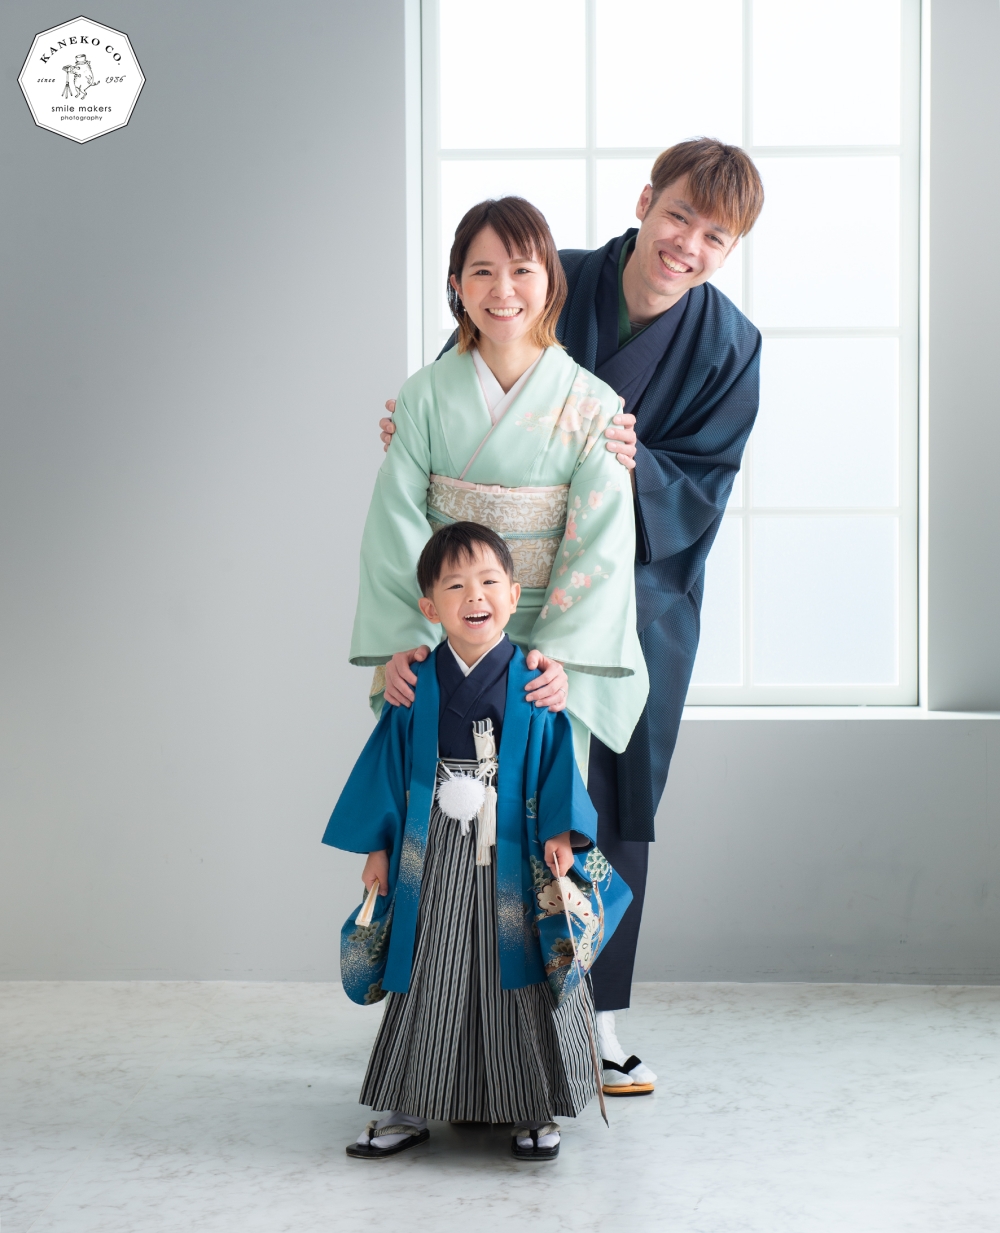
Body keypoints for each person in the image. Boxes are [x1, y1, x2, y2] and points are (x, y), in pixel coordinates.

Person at [379, 139, 765, 1094]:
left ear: (731, 248)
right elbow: (474, 376)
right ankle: (465, 1012)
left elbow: (705, 483)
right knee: (470, 785)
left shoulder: (731, 344)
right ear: (646, 201)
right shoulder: (557, 274)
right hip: (492, 591)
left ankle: (598, 1013)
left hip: (631, 590)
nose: (688, 245)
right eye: (679, 215)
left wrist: (636, 465)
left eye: (716, 236)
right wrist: (417, 426)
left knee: (607, 798)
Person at [324, 523, 632, 1161]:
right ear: (430, 606)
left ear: (514, 596)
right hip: (430, 846)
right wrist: (378, 848)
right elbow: (387, 765)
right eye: (455, 585)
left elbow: (556, 762)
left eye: (490, 581)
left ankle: (530, 1105)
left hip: (514, 846)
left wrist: (561, 832)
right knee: (429, 964)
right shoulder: (415, 682)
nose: (475, 596)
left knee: (517, 966)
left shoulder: (533, 681)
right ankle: (409, 1105)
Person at [352, 194, 648, 780]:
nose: (502, 290)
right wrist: (410, 642)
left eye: (522, 270)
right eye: (482, 272)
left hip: (543, 653)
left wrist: (559, 659)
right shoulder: (423, 396)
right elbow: (396, 523)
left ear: (551, 281)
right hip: (441, 639)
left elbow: (601, 545)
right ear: (457, 285)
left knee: (532, 811)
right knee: (434, 810)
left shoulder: (593, 406)